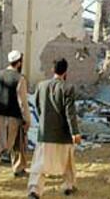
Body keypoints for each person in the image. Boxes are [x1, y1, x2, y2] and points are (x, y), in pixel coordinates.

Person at [28, 58, 81, 199]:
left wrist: (44, 121)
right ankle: (69, 186)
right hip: (63, 133)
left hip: (45, 132)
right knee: (68, 161)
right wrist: (75, 132)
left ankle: (35, 190)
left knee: (40, 163)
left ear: (53, 70)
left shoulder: (41, 85)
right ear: (66, 71)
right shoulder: (68, 88)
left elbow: (38, 107)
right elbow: (71, 113)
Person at [0, 50, 31, 185]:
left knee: (17, 142)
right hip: (13, 117)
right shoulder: (19, 78)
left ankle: (19, 168)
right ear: (19, 62)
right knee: (2, 144)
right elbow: (22, 101)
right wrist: (27, 119)